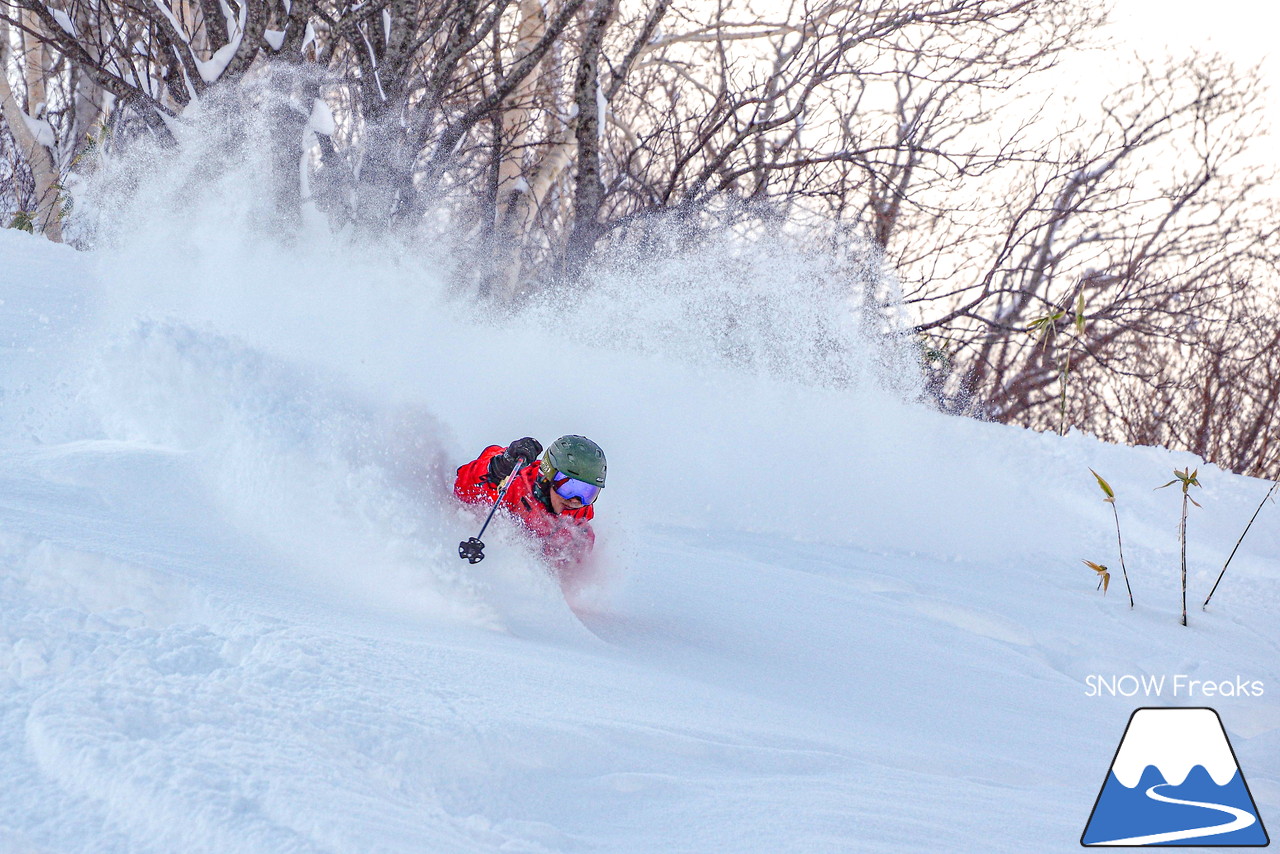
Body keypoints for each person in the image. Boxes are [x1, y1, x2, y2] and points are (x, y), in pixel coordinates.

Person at [454, 435, 606, 568]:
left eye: (588, 492)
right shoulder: (515, 482)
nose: (575, 499)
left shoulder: (579, 532)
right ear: (548, 476)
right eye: (568, 486)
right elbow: (463, 489)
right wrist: (500, 467)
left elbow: (571, 579)